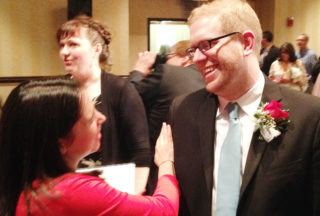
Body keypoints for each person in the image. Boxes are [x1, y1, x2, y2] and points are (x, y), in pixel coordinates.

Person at [169, 0, 320, 215]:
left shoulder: (310, 117)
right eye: (194, 50)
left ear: (247, 43)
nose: (198, 59)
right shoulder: (183, 110)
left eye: (207, 45)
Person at [0, 77, 179, 216]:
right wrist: (166, 163)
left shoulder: (28, 184)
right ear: (61, 143)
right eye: (91, 118)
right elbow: (164, 210)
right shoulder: (68, 192)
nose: (102, 118)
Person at [56, 15, 152, 194]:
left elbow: (141, 151)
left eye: (73, 44)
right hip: (68, 190)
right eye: (62, 45)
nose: (64, 52)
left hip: (110, 191)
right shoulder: (59, 90)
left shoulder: (120, 89)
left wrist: (134, 196)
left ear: (96, 49)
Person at [129, 41, 205, 194]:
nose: (166, 62)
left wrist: (139, 69)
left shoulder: (168, 73)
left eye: (169, 57)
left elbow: (127, 99)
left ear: (185, 57)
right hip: (200, 173)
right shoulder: (210, 81)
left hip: (158, 169)